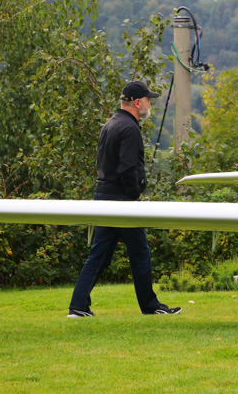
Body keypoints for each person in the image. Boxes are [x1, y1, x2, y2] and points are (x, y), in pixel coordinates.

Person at [68, 81, 181, 318]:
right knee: (140, 253)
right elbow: (128, 169)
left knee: (100, 254)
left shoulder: (110, 124)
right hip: (122, 199)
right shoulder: (130, 128)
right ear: (138, 102)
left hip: (103, 195)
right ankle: (150, 306)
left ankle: (78, 306)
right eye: (148, 99)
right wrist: (136, 193)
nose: (150, 104)